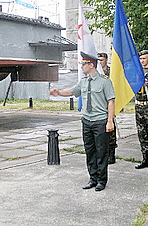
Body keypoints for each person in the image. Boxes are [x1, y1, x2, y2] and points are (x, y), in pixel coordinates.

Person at [50, 51, 115, 191]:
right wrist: (59, 92)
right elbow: (73, 91)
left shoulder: (105, 81)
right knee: (90, 150)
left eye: (83, 64)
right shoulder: (84, 81)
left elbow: (111, 101)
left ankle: (101, 181)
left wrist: (110, 121)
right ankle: (93, 178)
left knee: (101, 151)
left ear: (91, 65)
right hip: (87, 121)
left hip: (100, 121)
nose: (81, 67)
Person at [98, 52, 117, 165]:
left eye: (102, 60)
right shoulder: (96, 73)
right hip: (99, 105)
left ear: (106, 60)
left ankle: (112, 154)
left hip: (110, 103)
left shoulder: (111, 72)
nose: (100, 62)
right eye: (98, 60)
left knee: (111, 130)